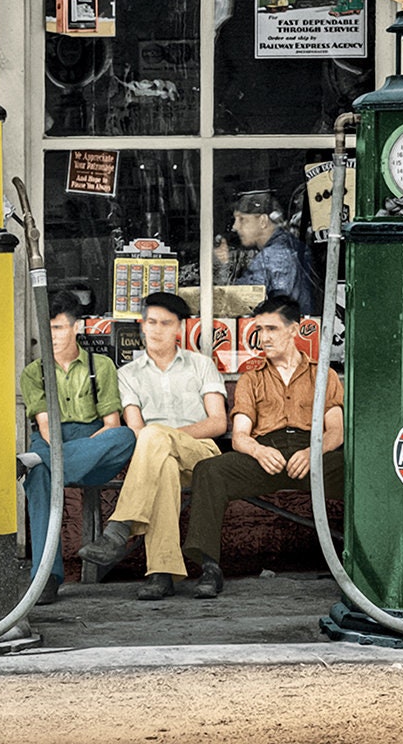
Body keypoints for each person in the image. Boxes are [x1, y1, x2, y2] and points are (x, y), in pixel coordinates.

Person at [180, 294, 344, 599]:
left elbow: (336, 431)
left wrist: (313, 452)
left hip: (312, 455)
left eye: (271, 329)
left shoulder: (324, 375)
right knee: (210, 471)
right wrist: (257, 450)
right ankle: (210, 567)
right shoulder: (251, 379)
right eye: (260, 330)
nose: (263, 338)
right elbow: (240, 434)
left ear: (294, 330)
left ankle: (362, 562)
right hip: (265, 455)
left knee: (358, 471)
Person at [76, 291, 227, 601]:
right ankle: (161, 573)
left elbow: (217, 423)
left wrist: (170, 436)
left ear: (180, 328)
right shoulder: (127, 375)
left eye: (165, 323)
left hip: (202, 456)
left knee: (155, 438)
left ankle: (119, 529)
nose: (157, 329)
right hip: (157, 461)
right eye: (151, 322)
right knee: (163, 467)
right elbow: (135, 429)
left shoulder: (201, 365)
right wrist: (160, 440)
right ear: (142, 326)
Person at [20, 295, 136, 604]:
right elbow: (46, 428)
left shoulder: (103, 366)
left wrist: (84, 451)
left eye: (59, 328)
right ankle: (45, 578)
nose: (53, 336)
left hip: (95, 442)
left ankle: (33, 462)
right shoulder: (34, 372)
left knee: (126, 437)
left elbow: (111, 424)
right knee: (40, 478)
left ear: (77, 327)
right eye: (48, 329)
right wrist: (57, 455)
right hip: (51, 441)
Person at [230, 190, 319, 316]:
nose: (235, 226)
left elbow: (275, 309)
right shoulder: (290, 245)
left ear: (263, 221)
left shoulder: (274, 256)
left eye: (242, 219)